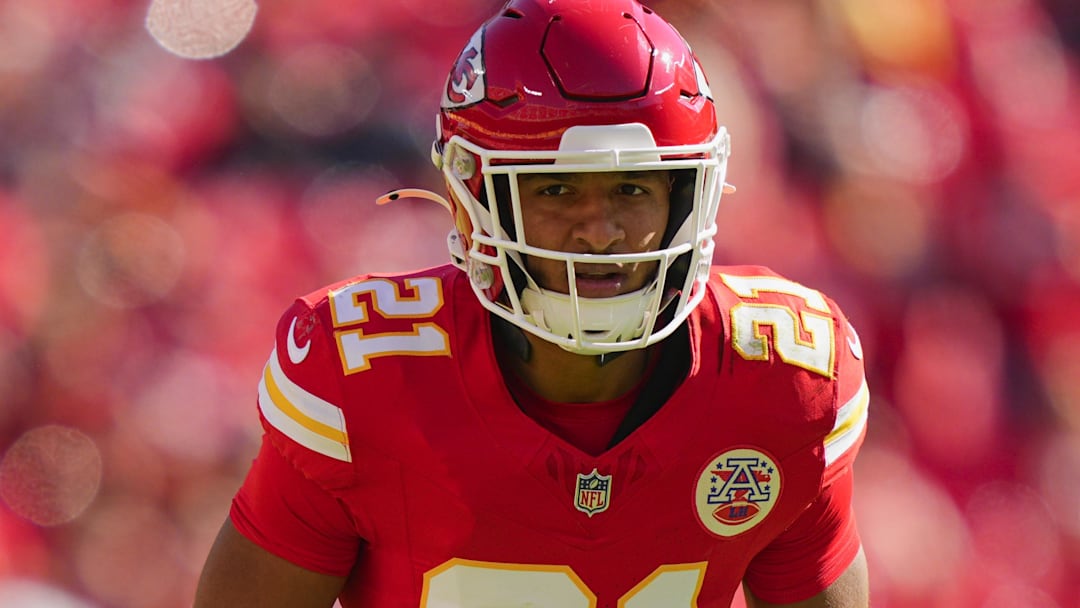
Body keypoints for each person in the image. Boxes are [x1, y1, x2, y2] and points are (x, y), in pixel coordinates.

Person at [194, 0, 871, 606]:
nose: (600, 230)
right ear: (475, 198)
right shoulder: (363, 385)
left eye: (633, 190)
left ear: (687, 198)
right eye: (555, 191)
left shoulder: (784, 383)